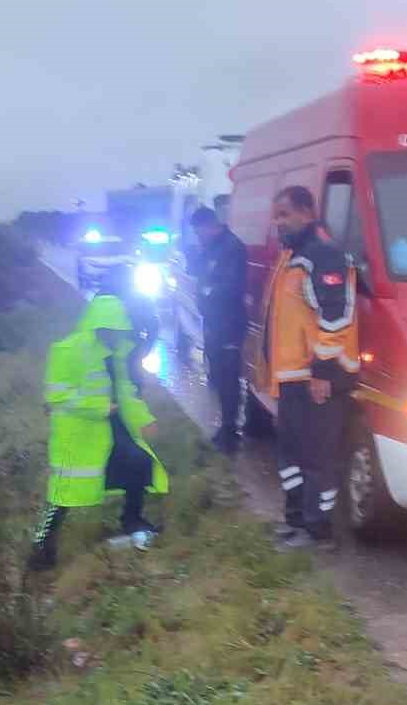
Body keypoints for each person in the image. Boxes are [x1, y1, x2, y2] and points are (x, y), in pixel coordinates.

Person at [30, 275, 168, 570]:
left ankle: (132, 519)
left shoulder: (115, 354)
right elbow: (56, 397)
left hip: (110, 427)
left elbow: (126, 392)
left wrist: (145, 419)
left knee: (139, 461)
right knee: (62, 495)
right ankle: (41, 547)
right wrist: (100, 407)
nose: (117, 337)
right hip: (77, 435)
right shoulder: (66, 350)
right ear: (99, 326)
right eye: (112, 331)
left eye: (120, 331)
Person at [261, 185, 360, 550]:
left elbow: (336, 316)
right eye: (276, 214)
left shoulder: (323, 255)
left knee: (318, 456)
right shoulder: (293, 255)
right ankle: (296, 520)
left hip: (316, 378)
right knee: (292, 453)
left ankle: (320, 532)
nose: (278, 222)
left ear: (307, 211)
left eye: (284, 214)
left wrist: (322, 371)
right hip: (292, 377)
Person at [189, 206, 249, 454]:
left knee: (228, 378)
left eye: (199, 232)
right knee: (217, 377)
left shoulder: (231, 248)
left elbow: (229, 287)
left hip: (229, 323)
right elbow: (201, 277)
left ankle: (230, 431)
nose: (198, 237)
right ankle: (225, 426)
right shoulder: (210, 248)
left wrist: (207, 293)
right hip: (213, 322)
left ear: (210, 225)